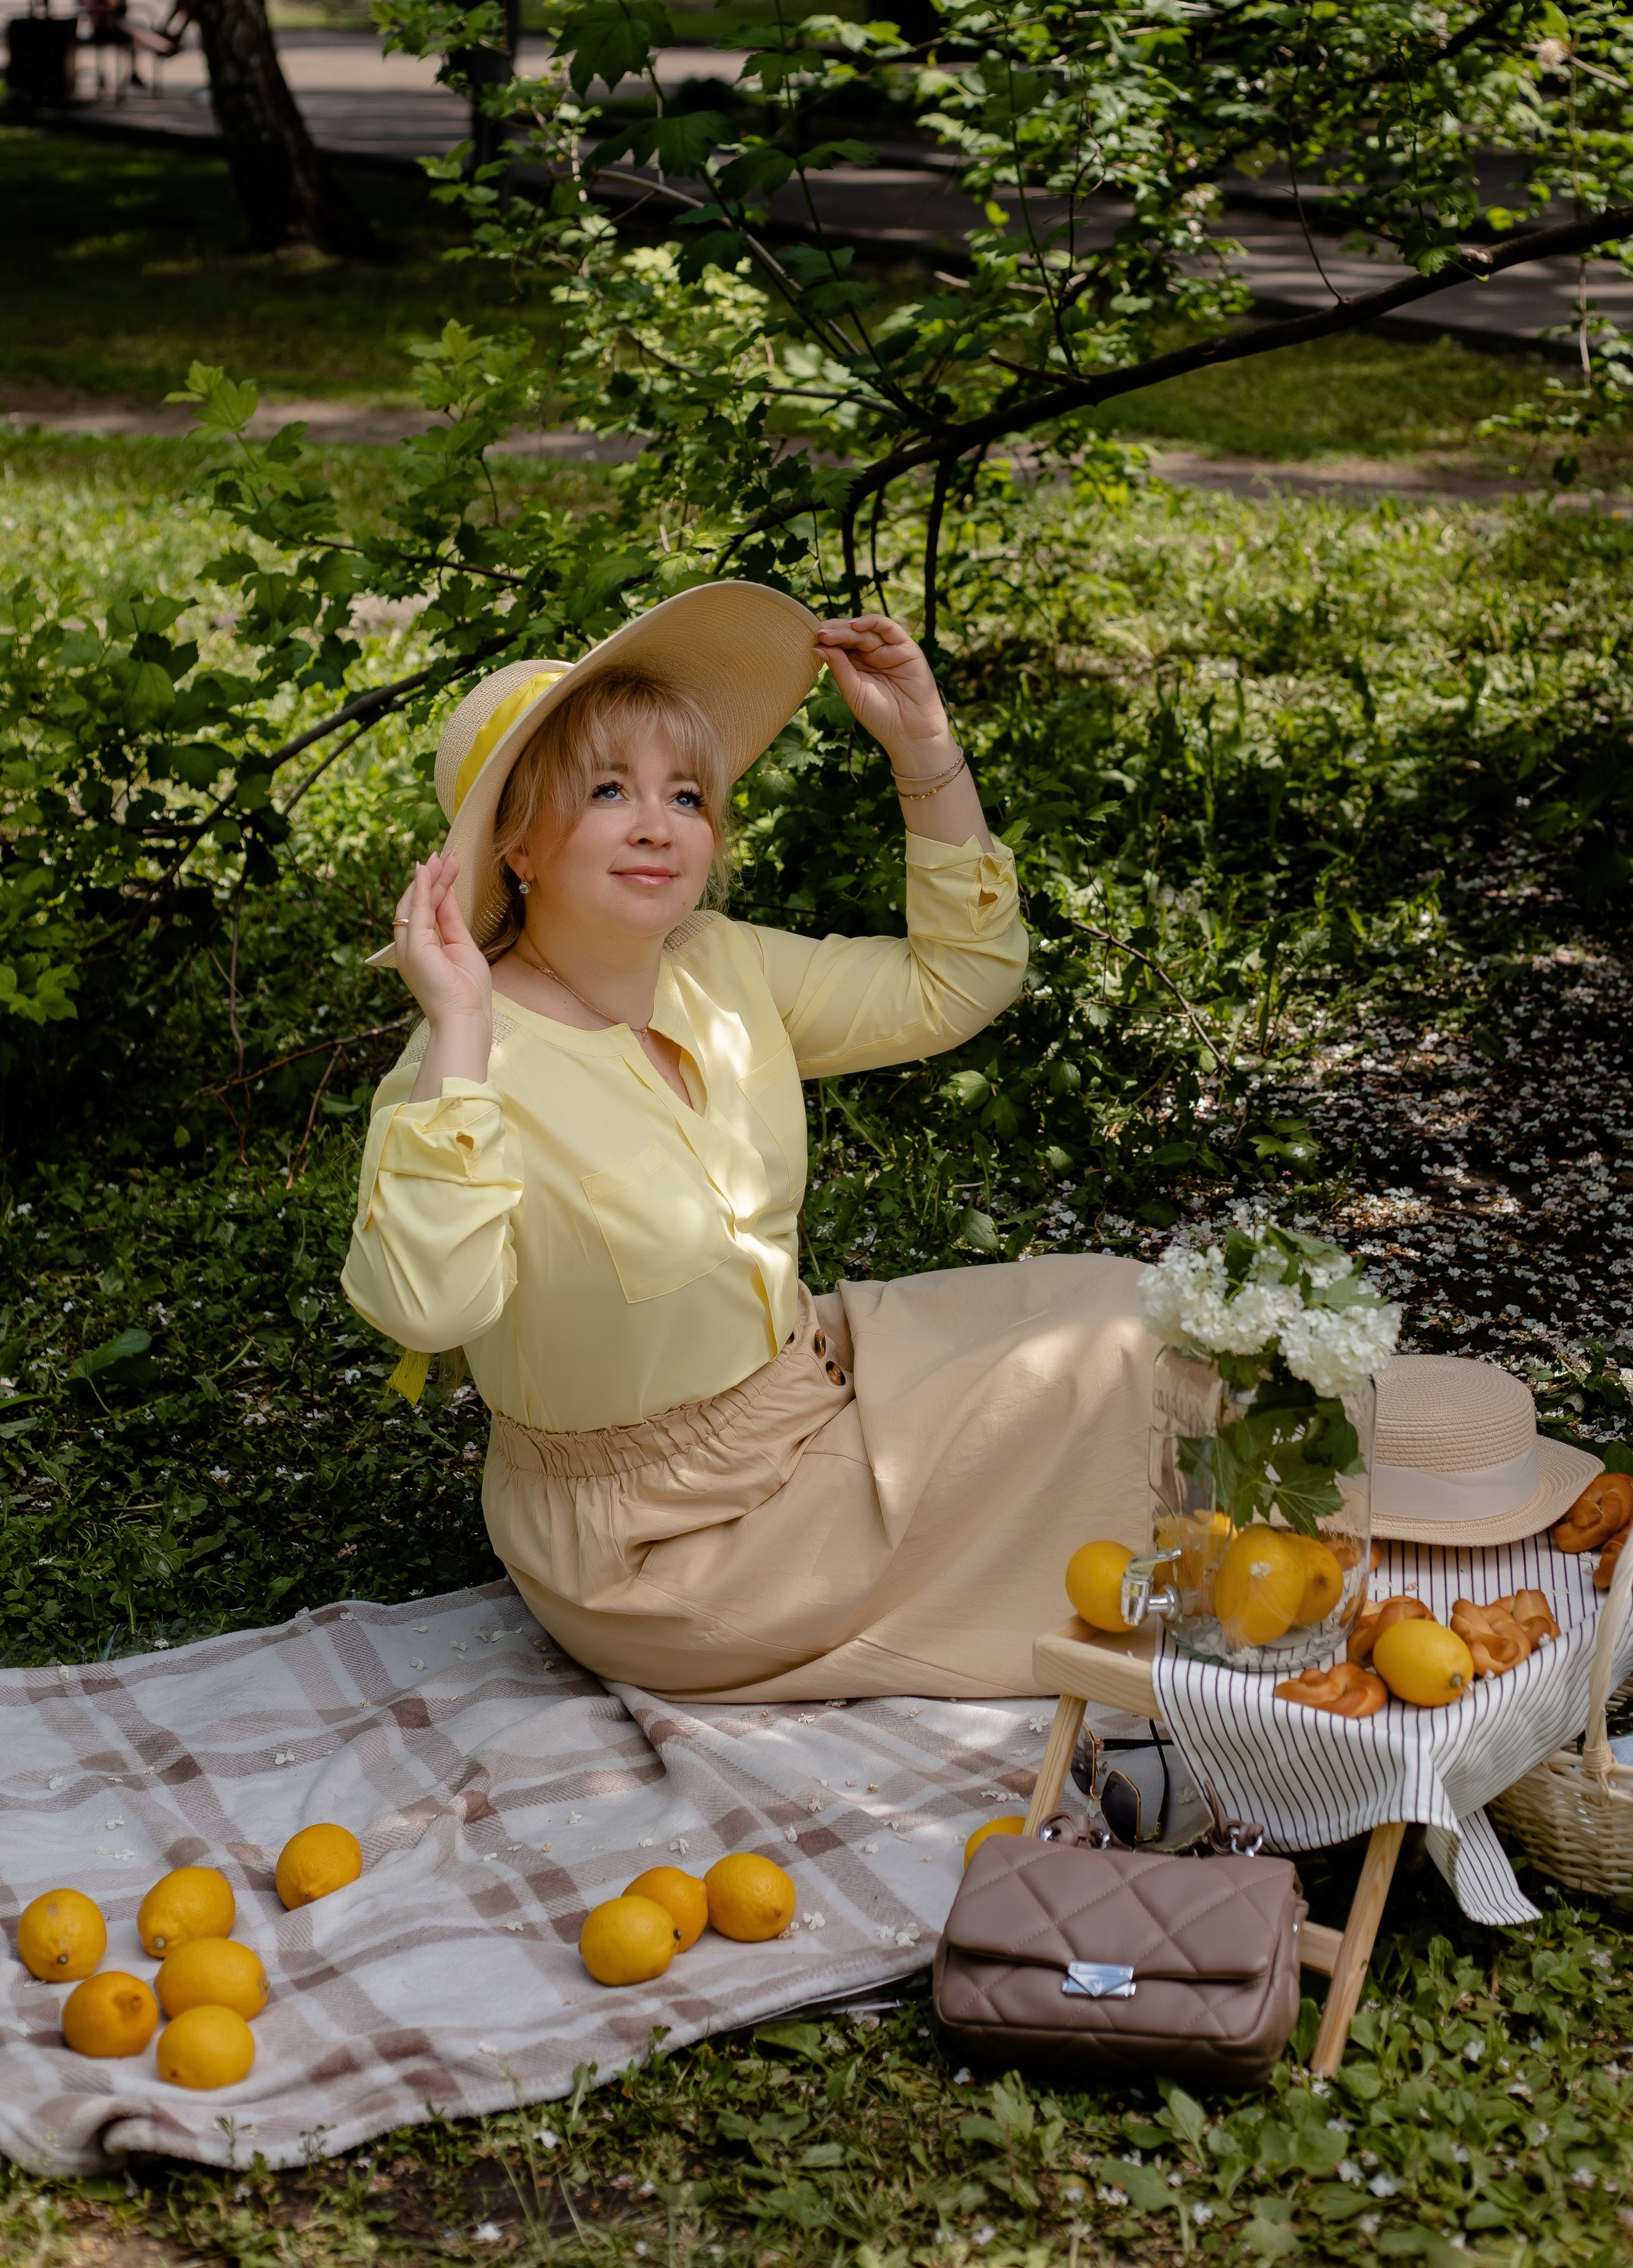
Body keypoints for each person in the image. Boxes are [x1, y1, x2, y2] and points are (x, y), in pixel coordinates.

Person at [341, 585, 1207, 1701]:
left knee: (1136, 1318)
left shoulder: (719, 965)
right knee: (1110, 1413)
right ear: (518, 843)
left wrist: (925, 754)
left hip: (807, 1387)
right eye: (608, 791)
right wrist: (457, 1028)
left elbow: (960, 981)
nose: (660, 824)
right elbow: (427, 1310)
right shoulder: (463, 1066)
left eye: (688, 794)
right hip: (669, 1546)